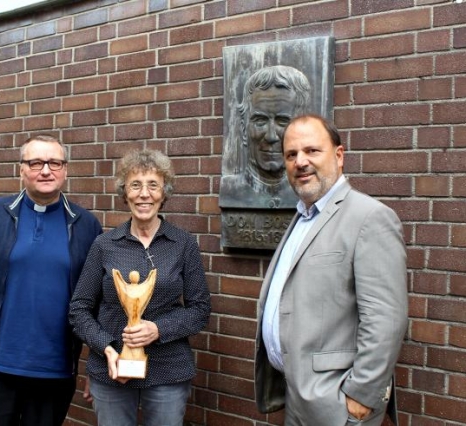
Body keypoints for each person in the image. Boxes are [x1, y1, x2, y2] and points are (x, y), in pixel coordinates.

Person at [254, 115, 408, 425]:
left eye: (312, 151)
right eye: (291, 154)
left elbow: (386, 319)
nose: (301, 162)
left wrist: (361, 396)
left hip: (337, 405)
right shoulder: (302, 218)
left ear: (338, 156)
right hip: (297, 396)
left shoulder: (370, 218)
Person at [0, 134, 102, 426]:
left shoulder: (86, 225)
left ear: (65, 169)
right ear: (21, 170)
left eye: (54, 162)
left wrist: (96, 366)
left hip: (54, 371)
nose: (46, 170)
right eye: (35, 163)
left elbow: (97, 302)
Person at [69, 149, 211, 426]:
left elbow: (200, 309)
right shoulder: (104, 245)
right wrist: (107, 349)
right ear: (125, 193)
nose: (144, 194)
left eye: (153, 185)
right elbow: (79, 309)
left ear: (164, 193)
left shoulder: (183, 244)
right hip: (112, 370)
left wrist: (158, 330)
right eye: (135, 185)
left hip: (168, 370)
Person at [220, 65, 311, 209]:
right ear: (244, 129)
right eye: (260, 121)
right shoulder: (230, 189)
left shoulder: (312, 194)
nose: (271, 136)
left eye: (282, 122)